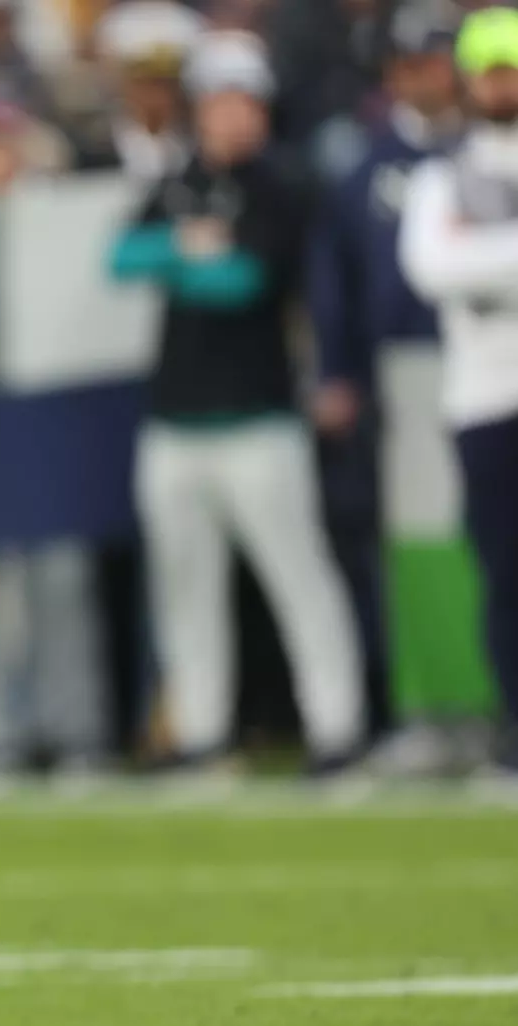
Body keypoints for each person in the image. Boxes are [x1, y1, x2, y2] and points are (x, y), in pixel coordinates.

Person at [109, 32, 366, 775]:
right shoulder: (178, 179)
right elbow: (120, 257)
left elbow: (243, 283)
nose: (230, 116)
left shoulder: (281, 184)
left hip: (258, 415)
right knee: (185, 587)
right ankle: (200, 731)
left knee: (298, 576)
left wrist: (182, 256)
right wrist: (187, 248)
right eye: (217, 101)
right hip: (172, 420)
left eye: (242, 100)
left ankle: (336, 727)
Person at [310, 10, 463, 761]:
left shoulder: (481, 151)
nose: (424, 76)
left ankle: (488, 705)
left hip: (487, 364)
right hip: (402, 372)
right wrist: (337, 370)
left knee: (489, 542)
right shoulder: (369, 167)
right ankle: (431, 709)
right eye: (411, 63)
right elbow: (334, 280)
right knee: (415, 547)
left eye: (435, 61)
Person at [400, 7, 518, 777]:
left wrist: (485, 259)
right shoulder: (442, 173)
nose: (499, 82)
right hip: (482, 401)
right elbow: (430, 268)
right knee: (504, 575)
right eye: (489, 69)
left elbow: (461, 264)